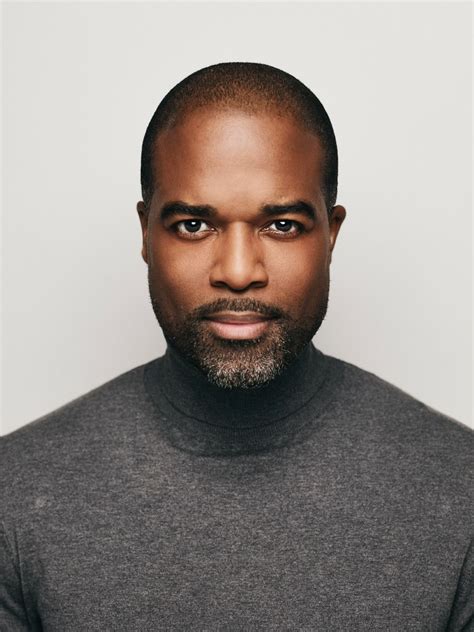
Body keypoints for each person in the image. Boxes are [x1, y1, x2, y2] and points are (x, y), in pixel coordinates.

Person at [0, 62, 472, 631]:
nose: (240, 272)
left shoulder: (461, 488)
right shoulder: (14, 495)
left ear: (331, 235)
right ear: (146, 233)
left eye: (283, 225)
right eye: (193, 226)